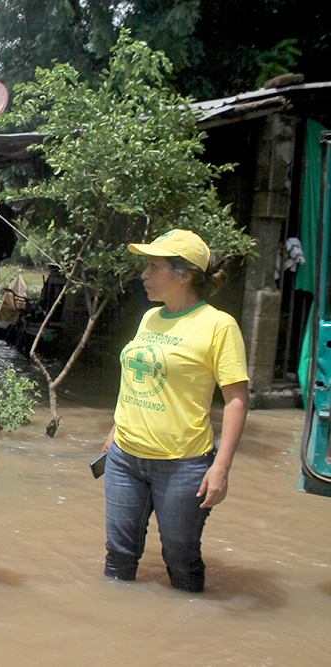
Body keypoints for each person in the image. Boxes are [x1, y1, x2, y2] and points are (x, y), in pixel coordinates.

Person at [101, 229, 249, 593]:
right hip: (125, 458)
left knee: (181, 557)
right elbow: (134, 379)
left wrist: (221, 468)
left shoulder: (219, 326)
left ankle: (192, 619)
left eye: (154, 266)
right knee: (118, 556)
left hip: (183, 464)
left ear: (184, 275)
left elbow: (236, 400)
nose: (144, 274)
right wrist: (115, 429)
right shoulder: (150, 318)